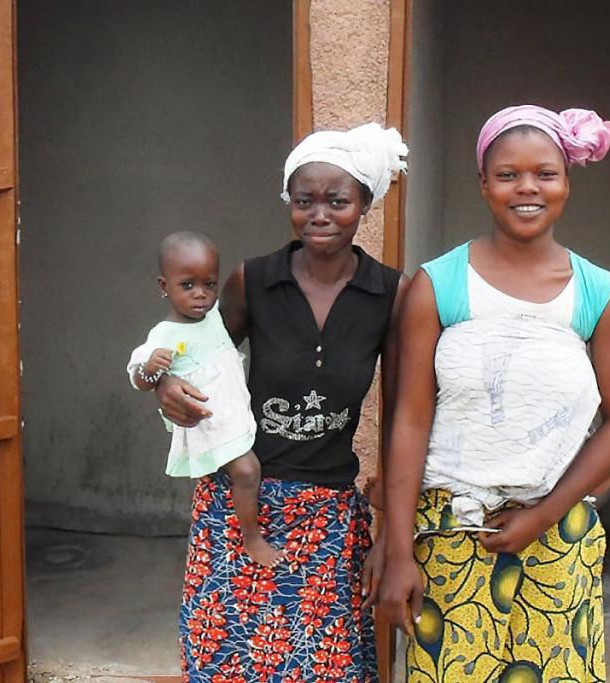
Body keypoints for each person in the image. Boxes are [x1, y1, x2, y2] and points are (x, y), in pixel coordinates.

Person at [379, 105, 610, 682]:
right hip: (450, 535)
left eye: (545, 173)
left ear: (567, 182)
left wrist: (545, 516)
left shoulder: (598, 293)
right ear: (483, 184)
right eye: (508, 174)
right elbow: (409, 421)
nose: (527, 188)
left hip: (558, 535)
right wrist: (398, 551)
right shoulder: (439, 284)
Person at [156, 123, 409, 682]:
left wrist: (390, 533)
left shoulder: (390, 293)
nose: (320, 214)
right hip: (238, 503)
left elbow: (402, 417)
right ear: (289, 206)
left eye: (337, 201)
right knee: (229, 662)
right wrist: (163, 386)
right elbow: (196, 352)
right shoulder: (254, 280)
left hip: (329, 517)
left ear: (364, 203)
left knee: (325, 668)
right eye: (304, 201)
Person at [128, 231, 282, 567]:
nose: (201, 295)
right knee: (246, 471)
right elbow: (139, 377)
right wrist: (154, 371)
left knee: (250, 467)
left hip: (230, 410)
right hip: (209, 419)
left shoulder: (213, 318)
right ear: (163, 286)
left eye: (209, 285)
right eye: (187, 285)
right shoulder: (165, 335)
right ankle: (252, 538)